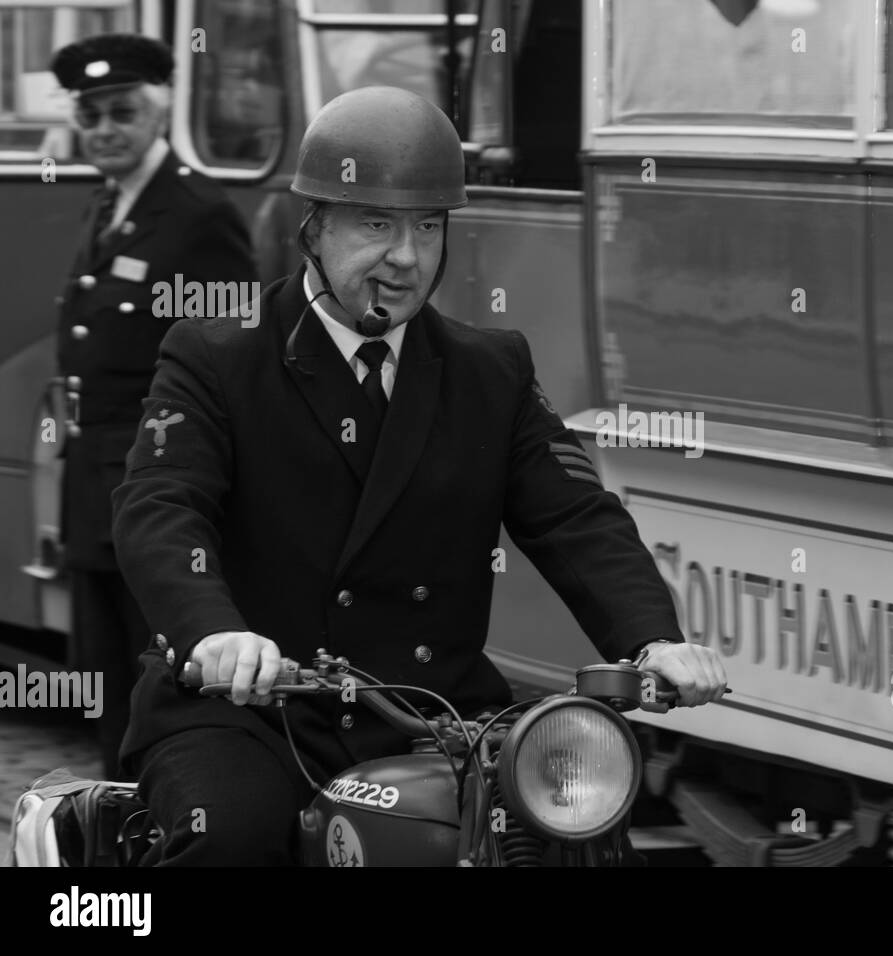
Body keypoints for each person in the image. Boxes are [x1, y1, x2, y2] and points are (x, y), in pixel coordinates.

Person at [111, 86, 728, 865]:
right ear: (314, 228)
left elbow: (577, 518)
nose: (405, 257)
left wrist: (654, 640)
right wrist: (216, 634)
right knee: (231, 840)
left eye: (427, 227)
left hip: (432, 716)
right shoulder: (219, 354)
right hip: (252, 712)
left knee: (577, 843)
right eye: (376, 224)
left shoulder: (488, 368)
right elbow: (160, 509)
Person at [49, 33, 256, 779]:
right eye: (92, 114)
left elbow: (236, 357)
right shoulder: (112, 203)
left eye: (123, 112)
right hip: (94, 484)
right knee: (105, 679)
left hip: (155, 489)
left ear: (159, 111)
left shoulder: (197, 211)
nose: (105, 129)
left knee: (157, 683)